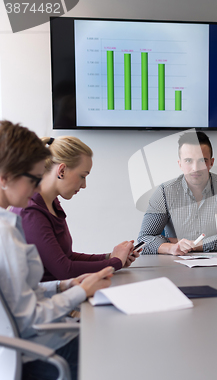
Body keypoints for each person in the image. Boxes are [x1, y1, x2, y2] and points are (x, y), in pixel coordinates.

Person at [0, 120, 114, 380]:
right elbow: (29, 318)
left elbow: (19, 294)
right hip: (39, 352)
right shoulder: (6, 233)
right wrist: (80, 291)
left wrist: (64, 286)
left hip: (31, 344)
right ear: (5, 178)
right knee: (117, 345)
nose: (38, 185)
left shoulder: (9, 224)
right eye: (34, 178)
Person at [12, 136, 138, 281]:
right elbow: (64, 270)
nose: (84, 185)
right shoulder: (31, 211)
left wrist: (109, 257)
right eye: (82, 176)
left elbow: (66, 256)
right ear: (62, 170)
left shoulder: (51, 204)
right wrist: (115, 263)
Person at [138, 131, 217, 255]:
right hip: (175, 265)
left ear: (211, 162)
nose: (195, 168)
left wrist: (191, 244)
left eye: (202, 160)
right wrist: (171, 248)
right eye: (188, 161)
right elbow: (144, 240)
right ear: (180, 164)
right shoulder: (164, 192)